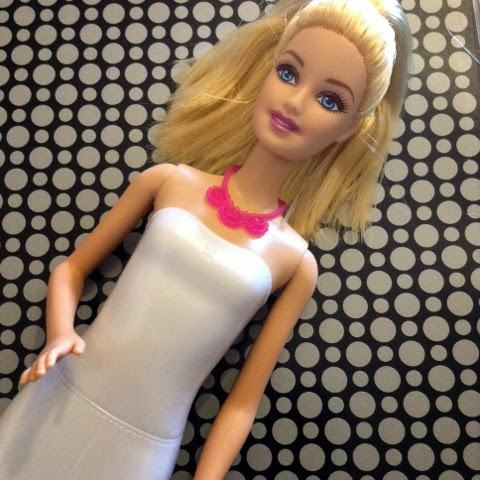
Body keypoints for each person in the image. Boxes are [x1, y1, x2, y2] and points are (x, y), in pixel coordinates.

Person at [0, 0, 411, 479]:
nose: (295, 102)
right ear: (266, 70)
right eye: (288, 73)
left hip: (143, 448)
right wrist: (60, 333)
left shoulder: (296, 262)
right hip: (59, 398)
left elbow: (242, 401)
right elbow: (71, 269)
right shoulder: (167, 181)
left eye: (330, 100)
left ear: (350, 127)